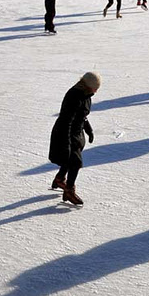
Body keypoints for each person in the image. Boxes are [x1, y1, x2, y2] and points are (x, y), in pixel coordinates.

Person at [49, 72, 101, 206]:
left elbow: (82, 114)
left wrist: (88, 128)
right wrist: (66, 144)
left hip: (76, 133)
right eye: (96, 88)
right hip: (65, 132)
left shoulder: (86, 94)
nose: (96, 91)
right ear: (89, 86)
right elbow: (67, 121)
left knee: (71, 160)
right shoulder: (74, 96)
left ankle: (60, 179)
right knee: (75, 162)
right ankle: (69, 190)